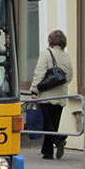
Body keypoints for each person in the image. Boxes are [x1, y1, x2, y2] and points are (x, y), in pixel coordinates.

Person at [30, 29, 74, 159]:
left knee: (47, 124)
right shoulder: (66, 56)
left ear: (50, 41)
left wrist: (34, 89)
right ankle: (47, 152)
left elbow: (40, 73)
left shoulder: (46, 54)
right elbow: (70, 76)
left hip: (46, 94)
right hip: (61, 95)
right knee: (53, 123)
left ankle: (59, 139)